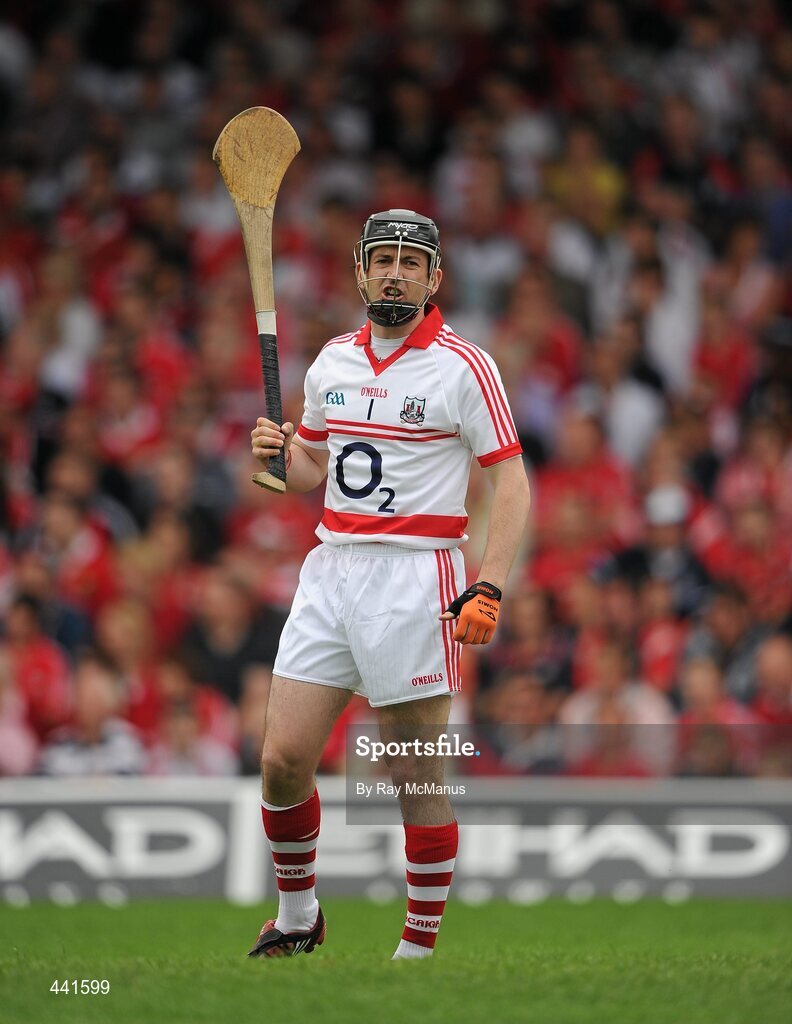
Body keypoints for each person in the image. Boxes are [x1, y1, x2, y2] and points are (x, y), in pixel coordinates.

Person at [248, 209, 531, 960]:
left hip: (416, 577)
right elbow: (312, 468)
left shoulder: (464, 367)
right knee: (281, 760)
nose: (395, 274)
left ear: (434, 278)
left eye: (411, 262)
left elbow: (511, 483)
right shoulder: (332, 361)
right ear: (361, 272)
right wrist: (277, 454)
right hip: (331, 570)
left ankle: (416, 952)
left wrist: (489, 585)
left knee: (413, 774)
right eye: (383, 261)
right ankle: (298, 918)